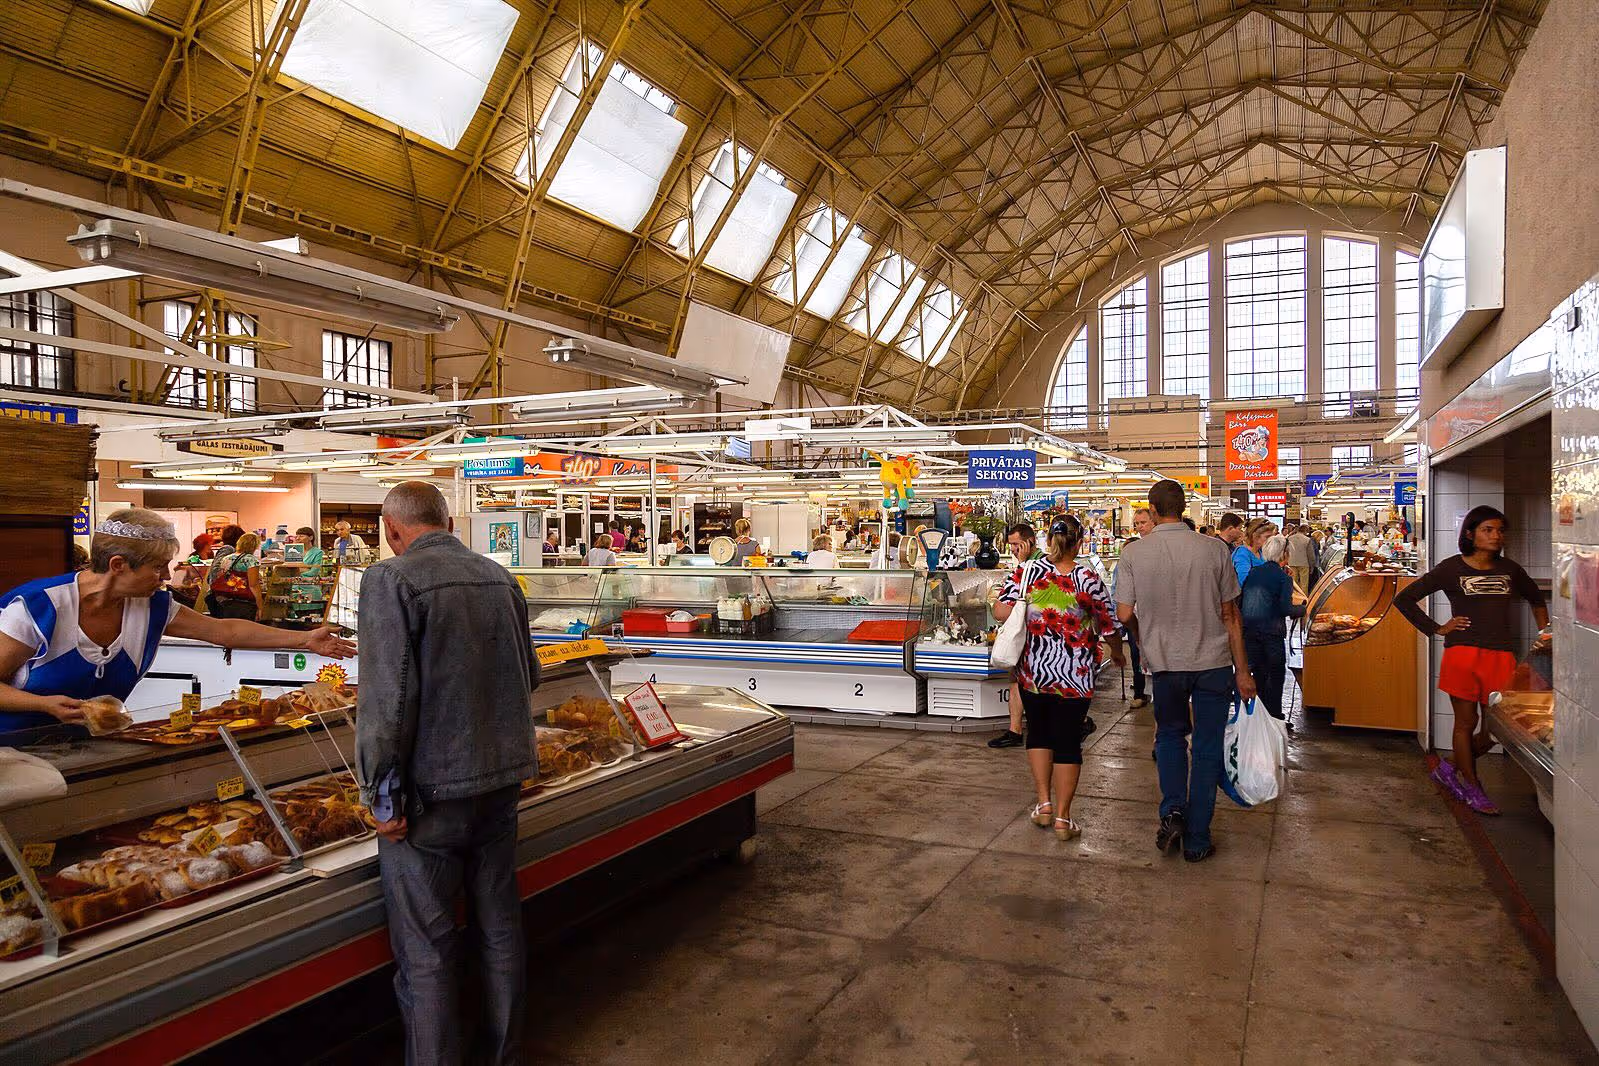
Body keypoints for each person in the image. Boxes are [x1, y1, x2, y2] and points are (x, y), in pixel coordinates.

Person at [355, 482, 535, 1066]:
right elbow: (528, 675)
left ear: (390, 529)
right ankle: (505, 1053)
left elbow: (385, 705)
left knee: (428, 952)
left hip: (431, 795)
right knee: (500, 930)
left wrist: (383, 797)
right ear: (448, 520)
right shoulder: (499, 577)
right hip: (501, 783)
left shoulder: (391, 579)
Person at [0, 508, 352, 736]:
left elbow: (222, 630)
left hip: (90, 750)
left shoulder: (151, 605)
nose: (166, 576)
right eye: (158, 567)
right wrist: (43, 704)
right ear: (119, 565)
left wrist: (304, 641)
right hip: (16, 757)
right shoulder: (37, 608)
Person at [1115, 480, 1257, 863]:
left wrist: (1145, 639)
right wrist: (1243, 672)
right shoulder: (1215, 551)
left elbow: (1125, 613)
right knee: (1208, 748)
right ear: (1185, 508)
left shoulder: (1134, 554)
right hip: (1213, 665)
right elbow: (1231, 615)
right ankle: (1197, 837)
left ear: (1153, 509)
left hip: (1164, 666)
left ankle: (1172, 811)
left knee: (1171, 738)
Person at [1394, 506, 1548, 815]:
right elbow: (1404, 599)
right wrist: (1437, 628)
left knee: (1497, 730)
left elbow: (1535, 597)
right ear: (1470, 534)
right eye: (1487, 530)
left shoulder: (1511, 569)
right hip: (1462, 654)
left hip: (1501, 655)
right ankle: (1472, 786)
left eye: (1500, 530)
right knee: (1467, 723)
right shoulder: (1451, 568)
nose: (1496, 536)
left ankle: (1451, 768)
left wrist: (1546, 633)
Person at [995, 516, 1124, 839]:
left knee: (1038, 733)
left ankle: (1044, 804)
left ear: (1047, 539)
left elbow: (1000, 611)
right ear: (1079, 543)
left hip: (1034, 673)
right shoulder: (1088, 577)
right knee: (1068, 742)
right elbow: (1108, 625)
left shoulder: (1028, 571)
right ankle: (1064, 819)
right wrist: (1118, 653)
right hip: (1076, 675)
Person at [1240, 520, 1304, 728]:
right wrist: (1305, 609)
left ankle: (1258, 719)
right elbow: (1285, 609)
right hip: (1271, 635)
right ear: (1284, 555)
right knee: (1275, 678)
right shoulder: (1282, 578)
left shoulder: (1253, 573)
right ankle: (1275, 719)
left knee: (1258, 675)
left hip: (1250, 634)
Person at [990, 523, 1043, 749]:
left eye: (1015, 544)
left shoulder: (1027, 569)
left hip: (1031, 638)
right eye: (1010, 544)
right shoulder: (1048, 563)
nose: (1012, 549)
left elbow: (1001, 610)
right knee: (1019, 680)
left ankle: (1018, 731)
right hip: (1045, 638)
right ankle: (1016, 729)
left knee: (1022, 681)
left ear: (1029, 542)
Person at [1119, 507, 1154, 710]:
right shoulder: (1133, 551)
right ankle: (1141, 692)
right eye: (1137, 523)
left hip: (1155, 613)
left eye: (1143, 522)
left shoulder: (1157, 549)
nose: (1140, 527)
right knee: (1136, 653)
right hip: (1136, 612)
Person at [208, 531, 265, 622]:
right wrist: (260, 606)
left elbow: (221, 577)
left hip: (226, 601)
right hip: (244, 601)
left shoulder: (226, 558)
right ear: (254, 546)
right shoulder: (251, 560)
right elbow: (253, 585)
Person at [169, 533, 215, 609]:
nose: (210, 546)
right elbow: (185, 570)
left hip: (206, 582)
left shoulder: (211, 554)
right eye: (209, 544)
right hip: (193, 584)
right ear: (203, 545)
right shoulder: (193, 556)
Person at [1232, 517, 1272, 589]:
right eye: (1267, 537)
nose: (1270, 540)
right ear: (1255, 536)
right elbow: (1245, 581)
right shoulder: (1242, 553)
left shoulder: (1261, 552)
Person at [1285, 522, 1315, 593]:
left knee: (1293, 583)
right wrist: (1312, 565)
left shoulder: (1290, 538)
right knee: (1304, 584)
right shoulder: (1307, 539)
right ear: (1305, 531)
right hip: (1304, 564)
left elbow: (1286, 550)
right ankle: (1303, 600)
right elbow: (1310, 554)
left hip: (1291, 563)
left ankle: (1294, 598)